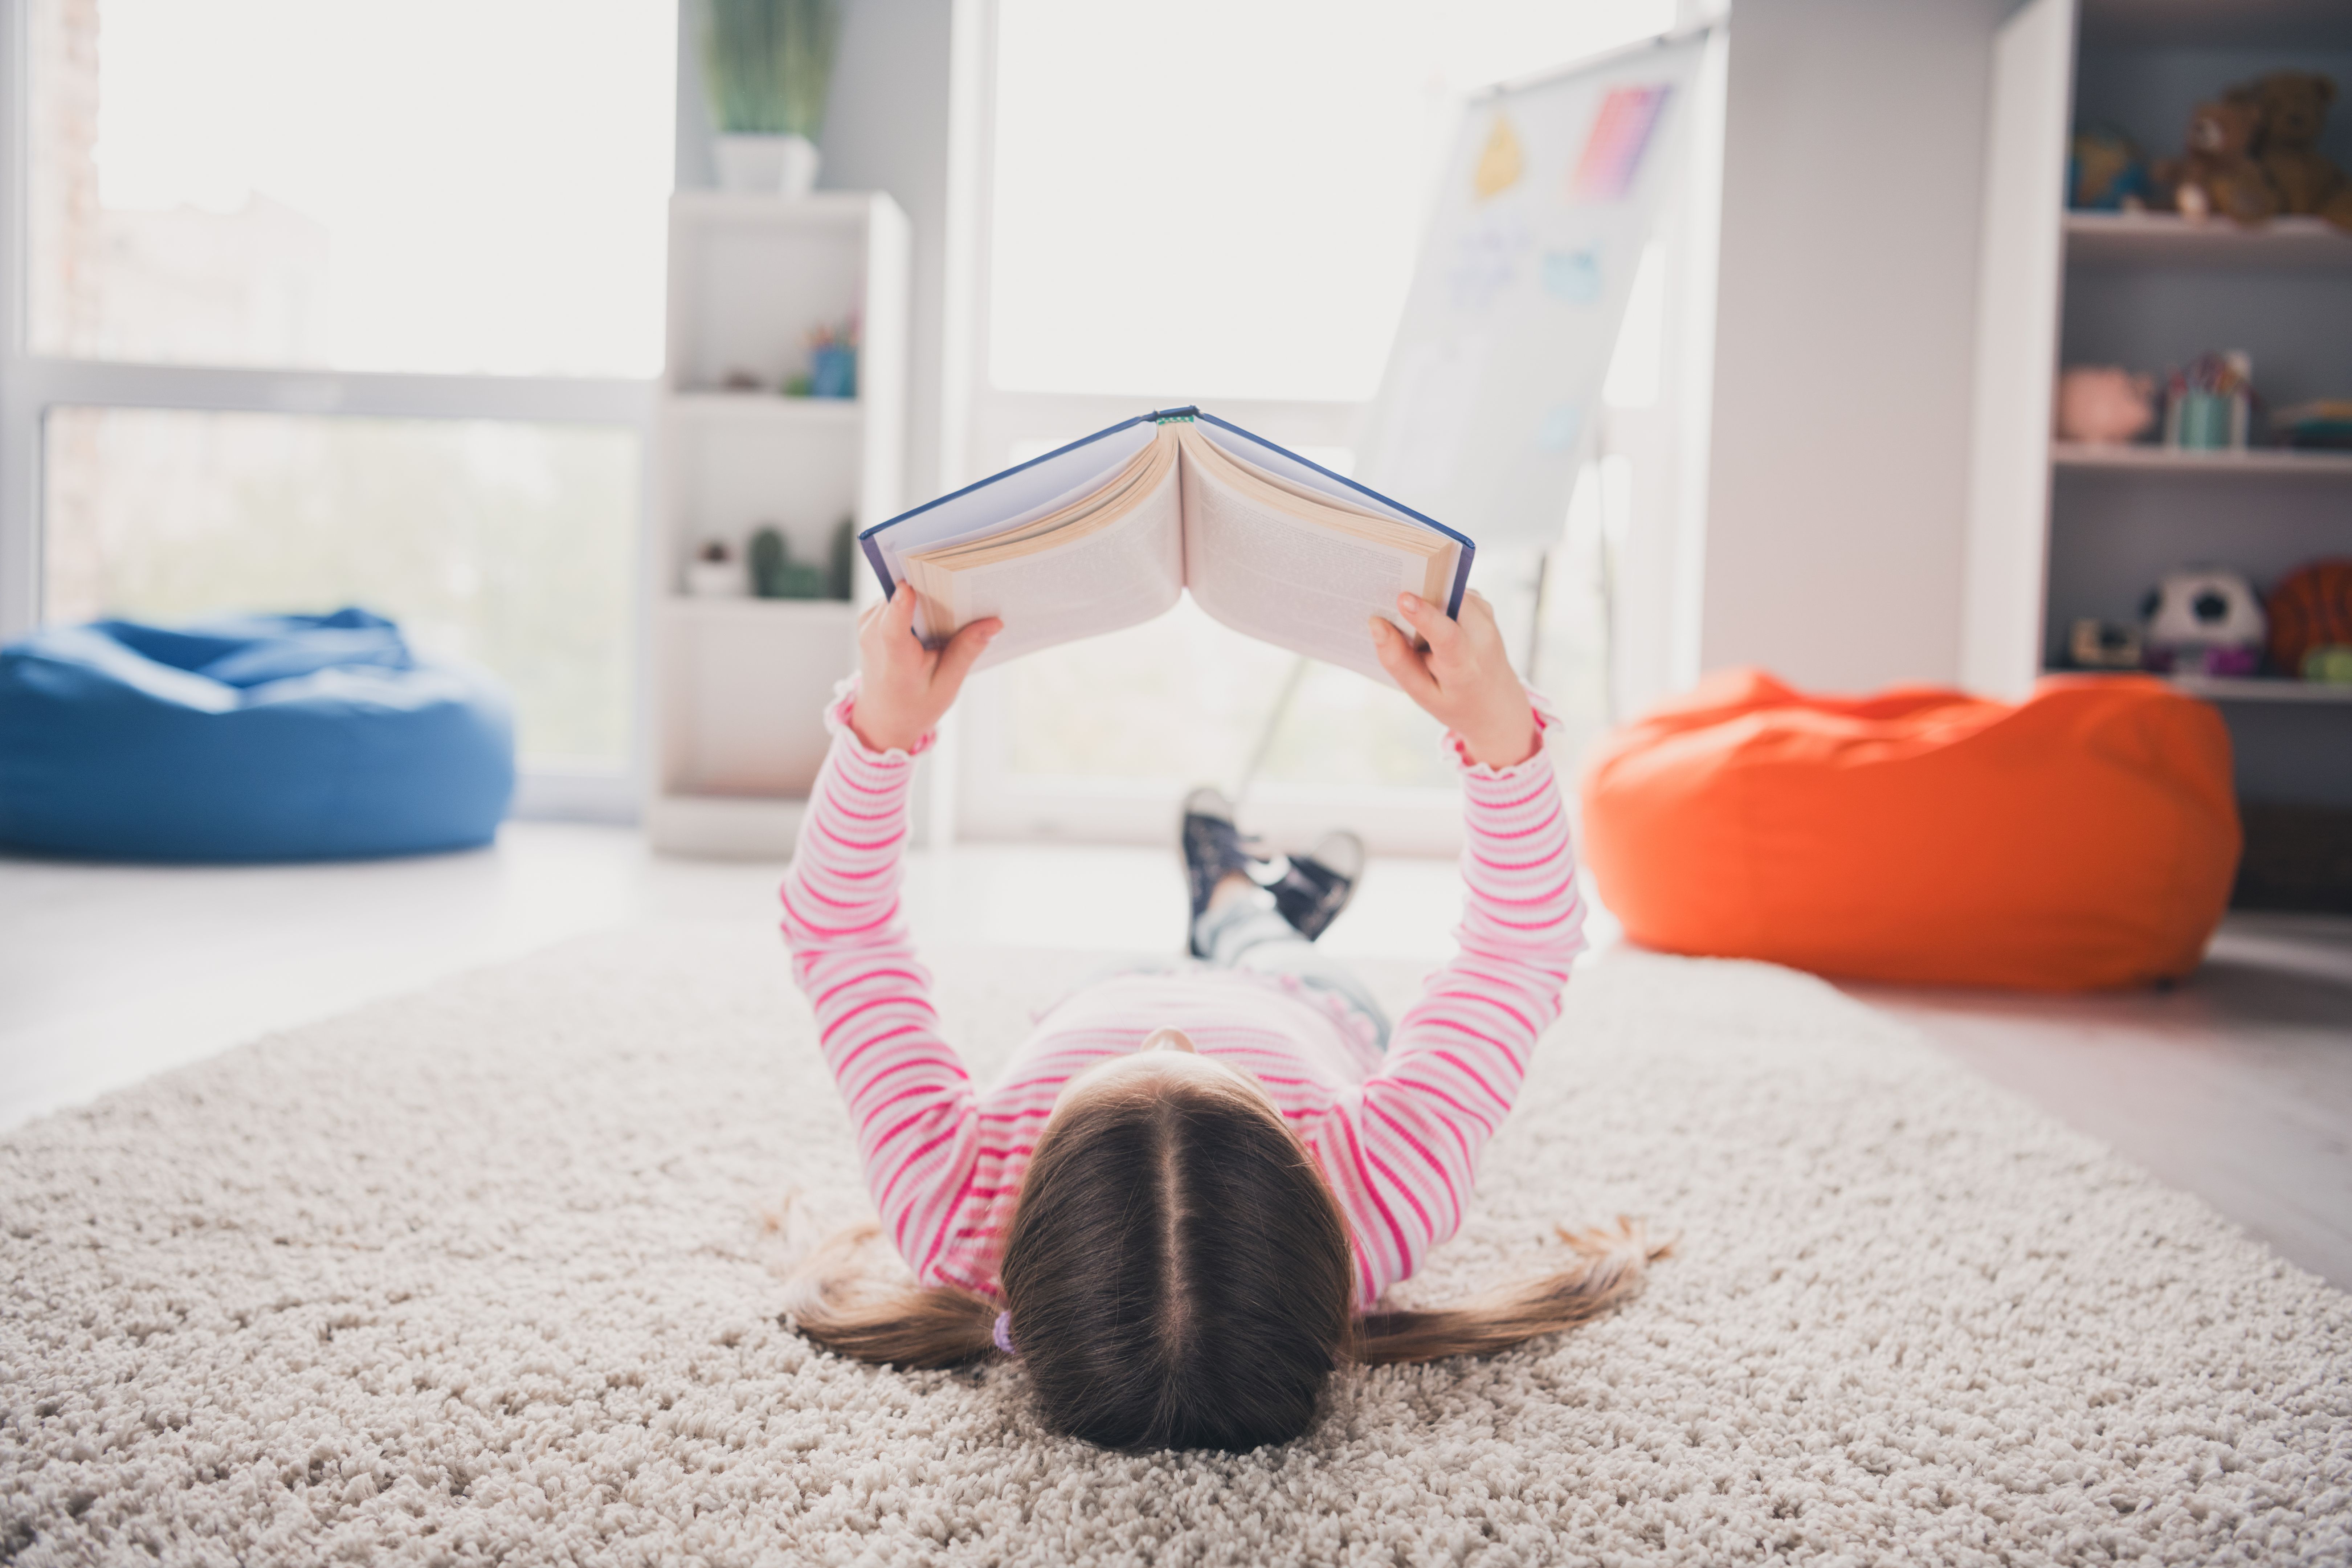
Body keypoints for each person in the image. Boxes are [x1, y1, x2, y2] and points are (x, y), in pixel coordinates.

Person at [778, 586, 1665, 1452]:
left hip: (1107, 985)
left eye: (1128, 1070)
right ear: (1307, 1190)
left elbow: (841, 939)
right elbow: (1520, 953)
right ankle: (1248, 906)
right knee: (1268, 953)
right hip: (1306, 1005)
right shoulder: (1388, 1198)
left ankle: (1235, 895)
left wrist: (878, 736)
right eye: (1212, 1071)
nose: (1167, 1032)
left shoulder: (949, 1212)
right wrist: (1502, 740)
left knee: (1152, 968)